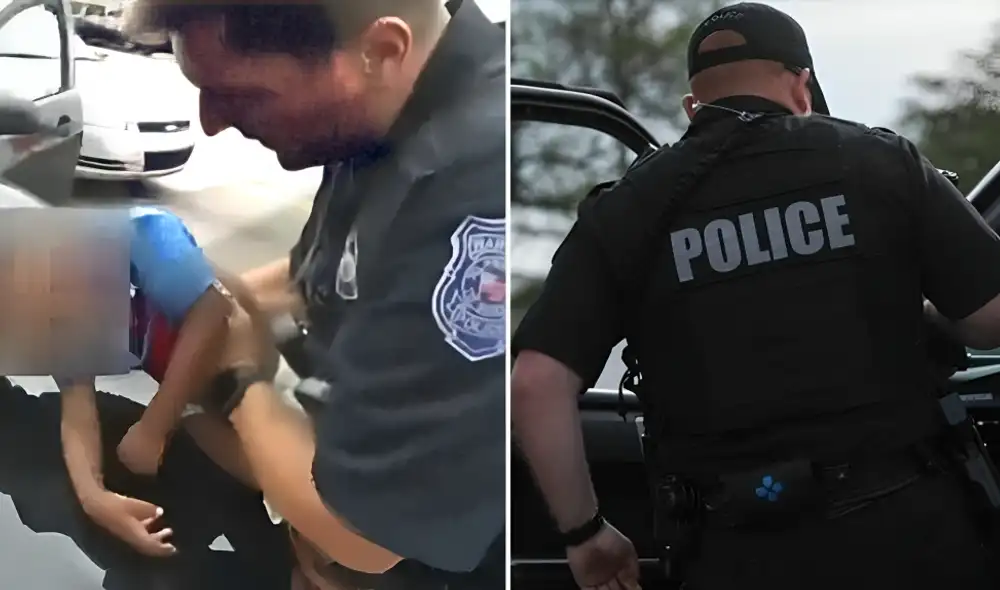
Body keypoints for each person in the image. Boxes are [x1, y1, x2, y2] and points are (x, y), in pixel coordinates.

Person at [511, 3, 1000, 590]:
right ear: (802, 86)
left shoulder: (627, 209)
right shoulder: (881, 163)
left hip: (735, 553)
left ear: (694, 108)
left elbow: (535, 384)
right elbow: (991, 319)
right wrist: (922, 315)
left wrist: (585, 535)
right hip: (909, 535)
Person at [123, 1, 506, 588]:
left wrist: (238, 375)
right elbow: (320, 275)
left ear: (381, 52)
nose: (210, 122)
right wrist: (207, 300)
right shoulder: (373, 117)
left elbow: (368, 537)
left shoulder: (469, 191)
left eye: (243, 94)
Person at [59, 206, 279, 557]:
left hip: (237, 356)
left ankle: (333, 535)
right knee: (201, 431)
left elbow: (213, 310)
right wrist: (93, 497)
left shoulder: (143, 231)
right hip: (190, 392)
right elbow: (77, 409)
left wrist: (153, 427)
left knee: (268, 467)